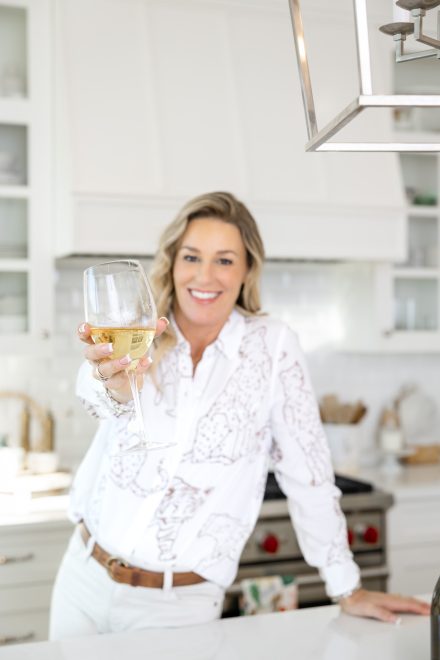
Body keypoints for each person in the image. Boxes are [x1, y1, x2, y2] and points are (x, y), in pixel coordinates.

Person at [49, 191, 429, 639]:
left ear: (248, 268)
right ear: (172, 262)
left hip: (179, 608)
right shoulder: (142, 328)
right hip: (83, 577)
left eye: (225, 260)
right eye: (192, 256)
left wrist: (346, 586)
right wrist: (109, 382)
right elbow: (95, 394)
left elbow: (308, 472)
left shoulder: (272, 347)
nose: (205, 275)